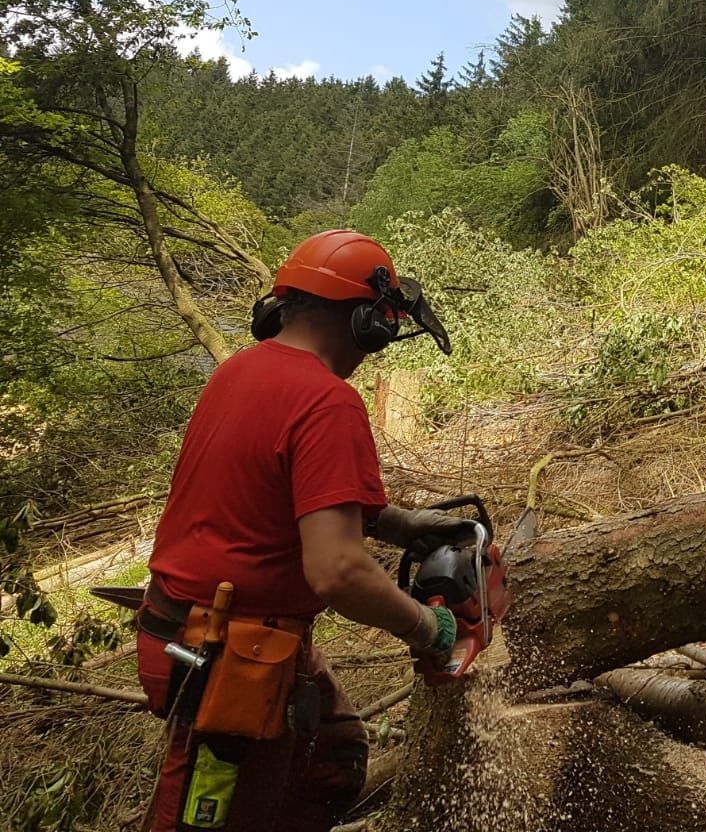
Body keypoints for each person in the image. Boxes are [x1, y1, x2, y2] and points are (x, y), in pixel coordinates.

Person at [135, 230, 472, 832]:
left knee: (332, 757)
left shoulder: (239, 371)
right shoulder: (327, 401)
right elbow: (338, 571)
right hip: (228, 656)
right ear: (367, 321)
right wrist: (427, 628)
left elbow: (269, 493)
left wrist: (395, 523)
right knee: (202, 818)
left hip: (200, 627)